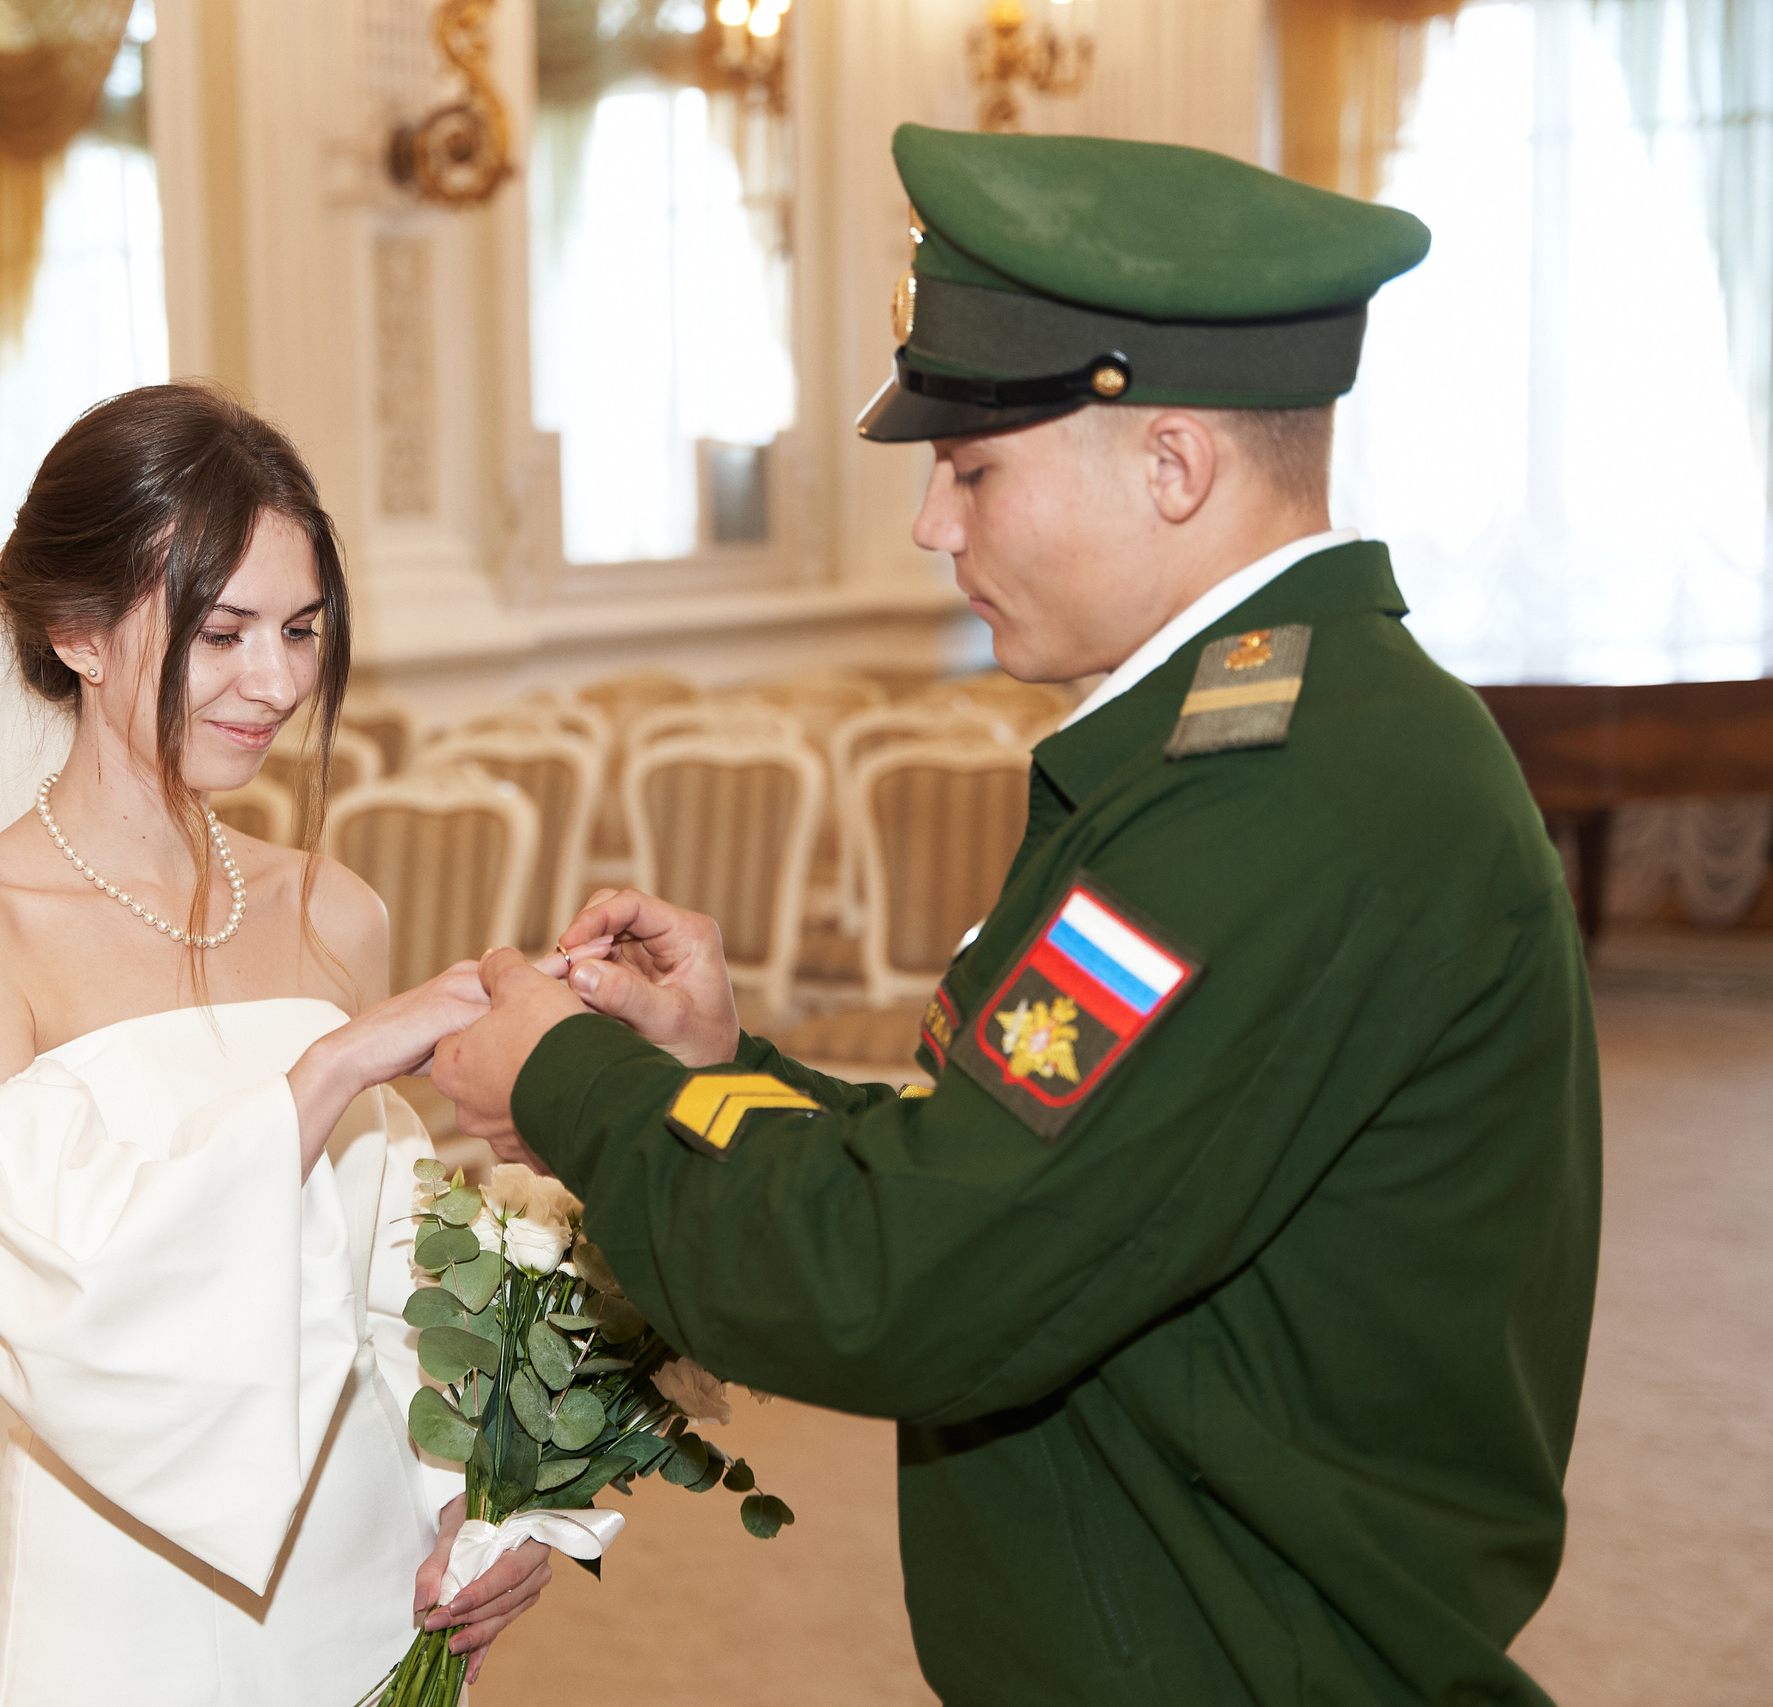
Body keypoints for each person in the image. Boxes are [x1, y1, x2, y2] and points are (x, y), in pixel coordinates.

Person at [431, 125, 1600, 1705]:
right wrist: (718, 1071)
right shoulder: (1268, 736)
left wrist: (567, 1078)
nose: (933, 523)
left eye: (973, 468)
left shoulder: (1275, 793)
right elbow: (1021, 1172)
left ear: (1172, 466)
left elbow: (909, 1277)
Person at [0, 383, 549, 1705]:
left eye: (301, 630)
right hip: (124, 1585)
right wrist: (328, 1071)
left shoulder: (333, 908)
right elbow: (79, 1311)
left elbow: (391, 1265)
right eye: (223, 632)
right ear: (76, 631)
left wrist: (488, 1493)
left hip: (365, 1562)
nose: (279, 683)